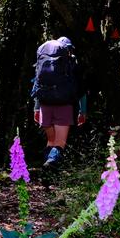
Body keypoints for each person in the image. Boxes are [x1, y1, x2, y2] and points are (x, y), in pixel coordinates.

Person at [31, 36, 86, 166]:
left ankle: (46, 177)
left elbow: (37, 85)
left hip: (44, 105)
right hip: (63, 106)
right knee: (60, 143)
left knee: (51, 141)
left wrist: (36, 108)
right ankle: (49, 165)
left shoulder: (43, 62)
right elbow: (81, 91)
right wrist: (82, 111)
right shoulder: (72, 65)